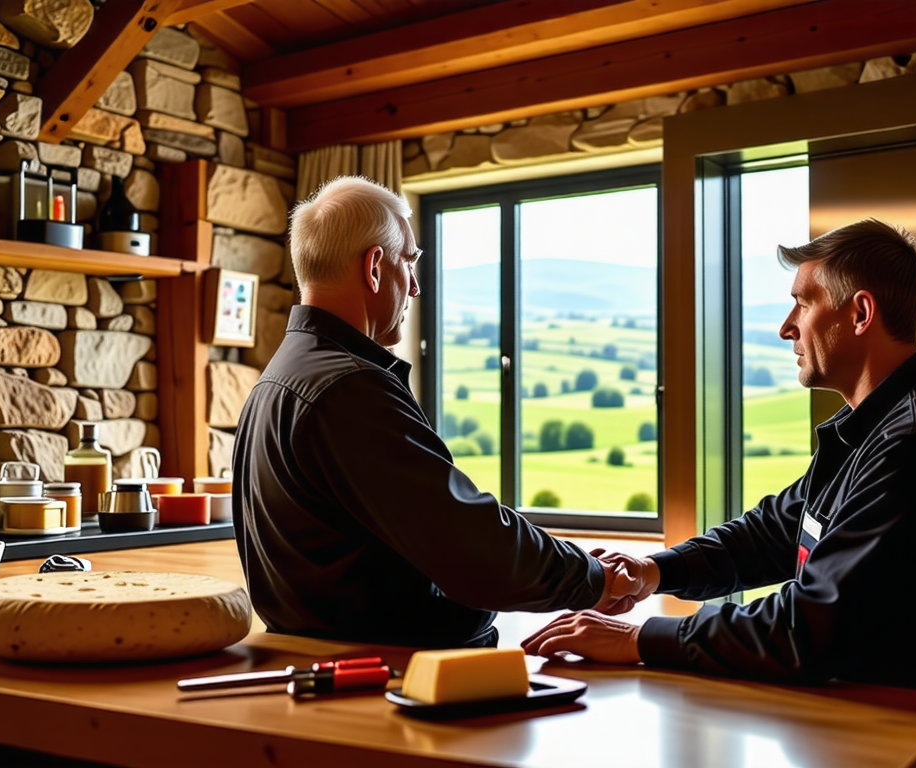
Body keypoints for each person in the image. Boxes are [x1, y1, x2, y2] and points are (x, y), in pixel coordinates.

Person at [523, 219, 916, 767]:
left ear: (859, 314)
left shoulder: (911, 446)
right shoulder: (872, 429)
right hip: (874, 728)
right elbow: (772, 532)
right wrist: (655, 571)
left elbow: (807, 627)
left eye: (802, 304)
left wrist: (638, 639)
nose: (786, 327)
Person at [231, 176, 635, 649]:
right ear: (376, 267)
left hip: (329, 657)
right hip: (393, 676)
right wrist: (593, 578)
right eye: (411, 261)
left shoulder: (278, 377)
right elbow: (469, 544)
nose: (417, 287)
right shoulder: (348, 389)